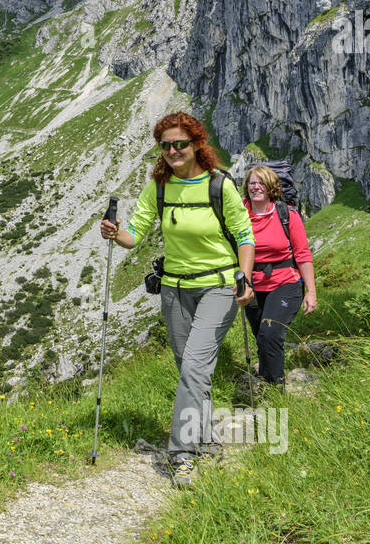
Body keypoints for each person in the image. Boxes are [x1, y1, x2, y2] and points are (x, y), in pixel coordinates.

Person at [99, 111, 254, 488]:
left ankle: (181, 455)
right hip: (173, 289)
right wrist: (115, 233)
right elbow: (135, 233)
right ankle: (207, 440)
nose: (172, 150)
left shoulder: (220, 185)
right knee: (190, 367)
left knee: (193, 368)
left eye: (179, 143)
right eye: (165, 145)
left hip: (218, 286)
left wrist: (245, 279)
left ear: (197, 143)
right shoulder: (160, 186)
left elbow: (245, 235)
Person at [242, 166, 316, 393]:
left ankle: (276, 390)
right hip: (252, 285)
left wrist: (311, 291)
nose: (255, 187)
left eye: (261, 183)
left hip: (286, 282)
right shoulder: (239, 215)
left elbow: (302, 254)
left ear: (271, 187)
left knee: (270, 332)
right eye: (252, 183)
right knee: (261, 338)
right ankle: (266, 380)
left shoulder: (286, 215)